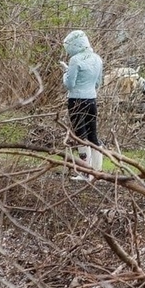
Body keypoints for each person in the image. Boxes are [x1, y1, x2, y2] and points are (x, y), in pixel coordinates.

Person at [61, 30, 104, 180]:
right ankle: (97, 170)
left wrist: (65, 73)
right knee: (93, 134)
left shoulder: (75, 60)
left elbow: (69, 84)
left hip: (76, 100)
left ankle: (85, 172)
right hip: (92, 99)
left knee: (80, 135)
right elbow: (99, 82)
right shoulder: (97, 59)